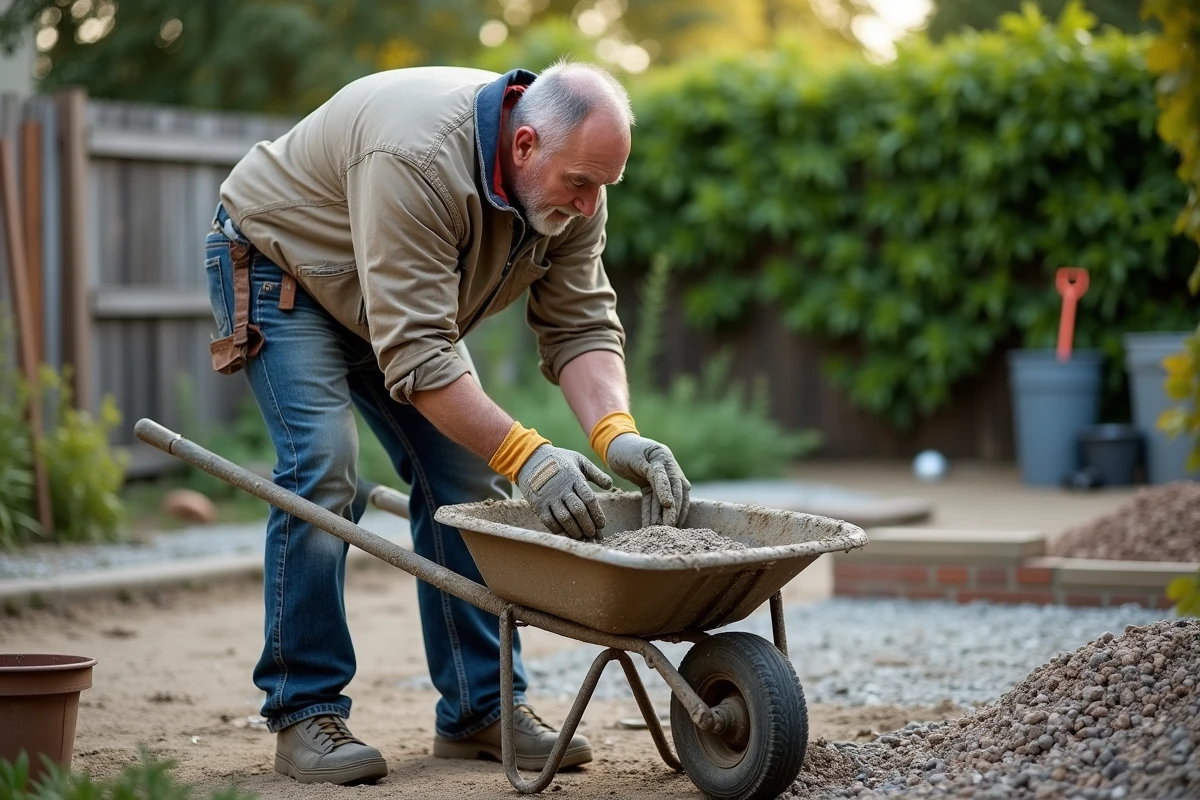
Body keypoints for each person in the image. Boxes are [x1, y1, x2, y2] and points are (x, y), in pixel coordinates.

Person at [203, 59, 692, 786]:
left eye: (603, 187)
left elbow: (582, 323)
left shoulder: (572, 178)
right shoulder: (419, 158)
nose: (590, 206)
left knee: (462, 479)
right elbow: (421, 356)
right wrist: (527, 453)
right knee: (323, 468)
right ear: (523, 145)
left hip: (390, 298)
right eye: (581, 185)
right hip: (287, 269)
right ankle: (303, 711)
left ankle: (477, 711)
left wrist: (616, 434)